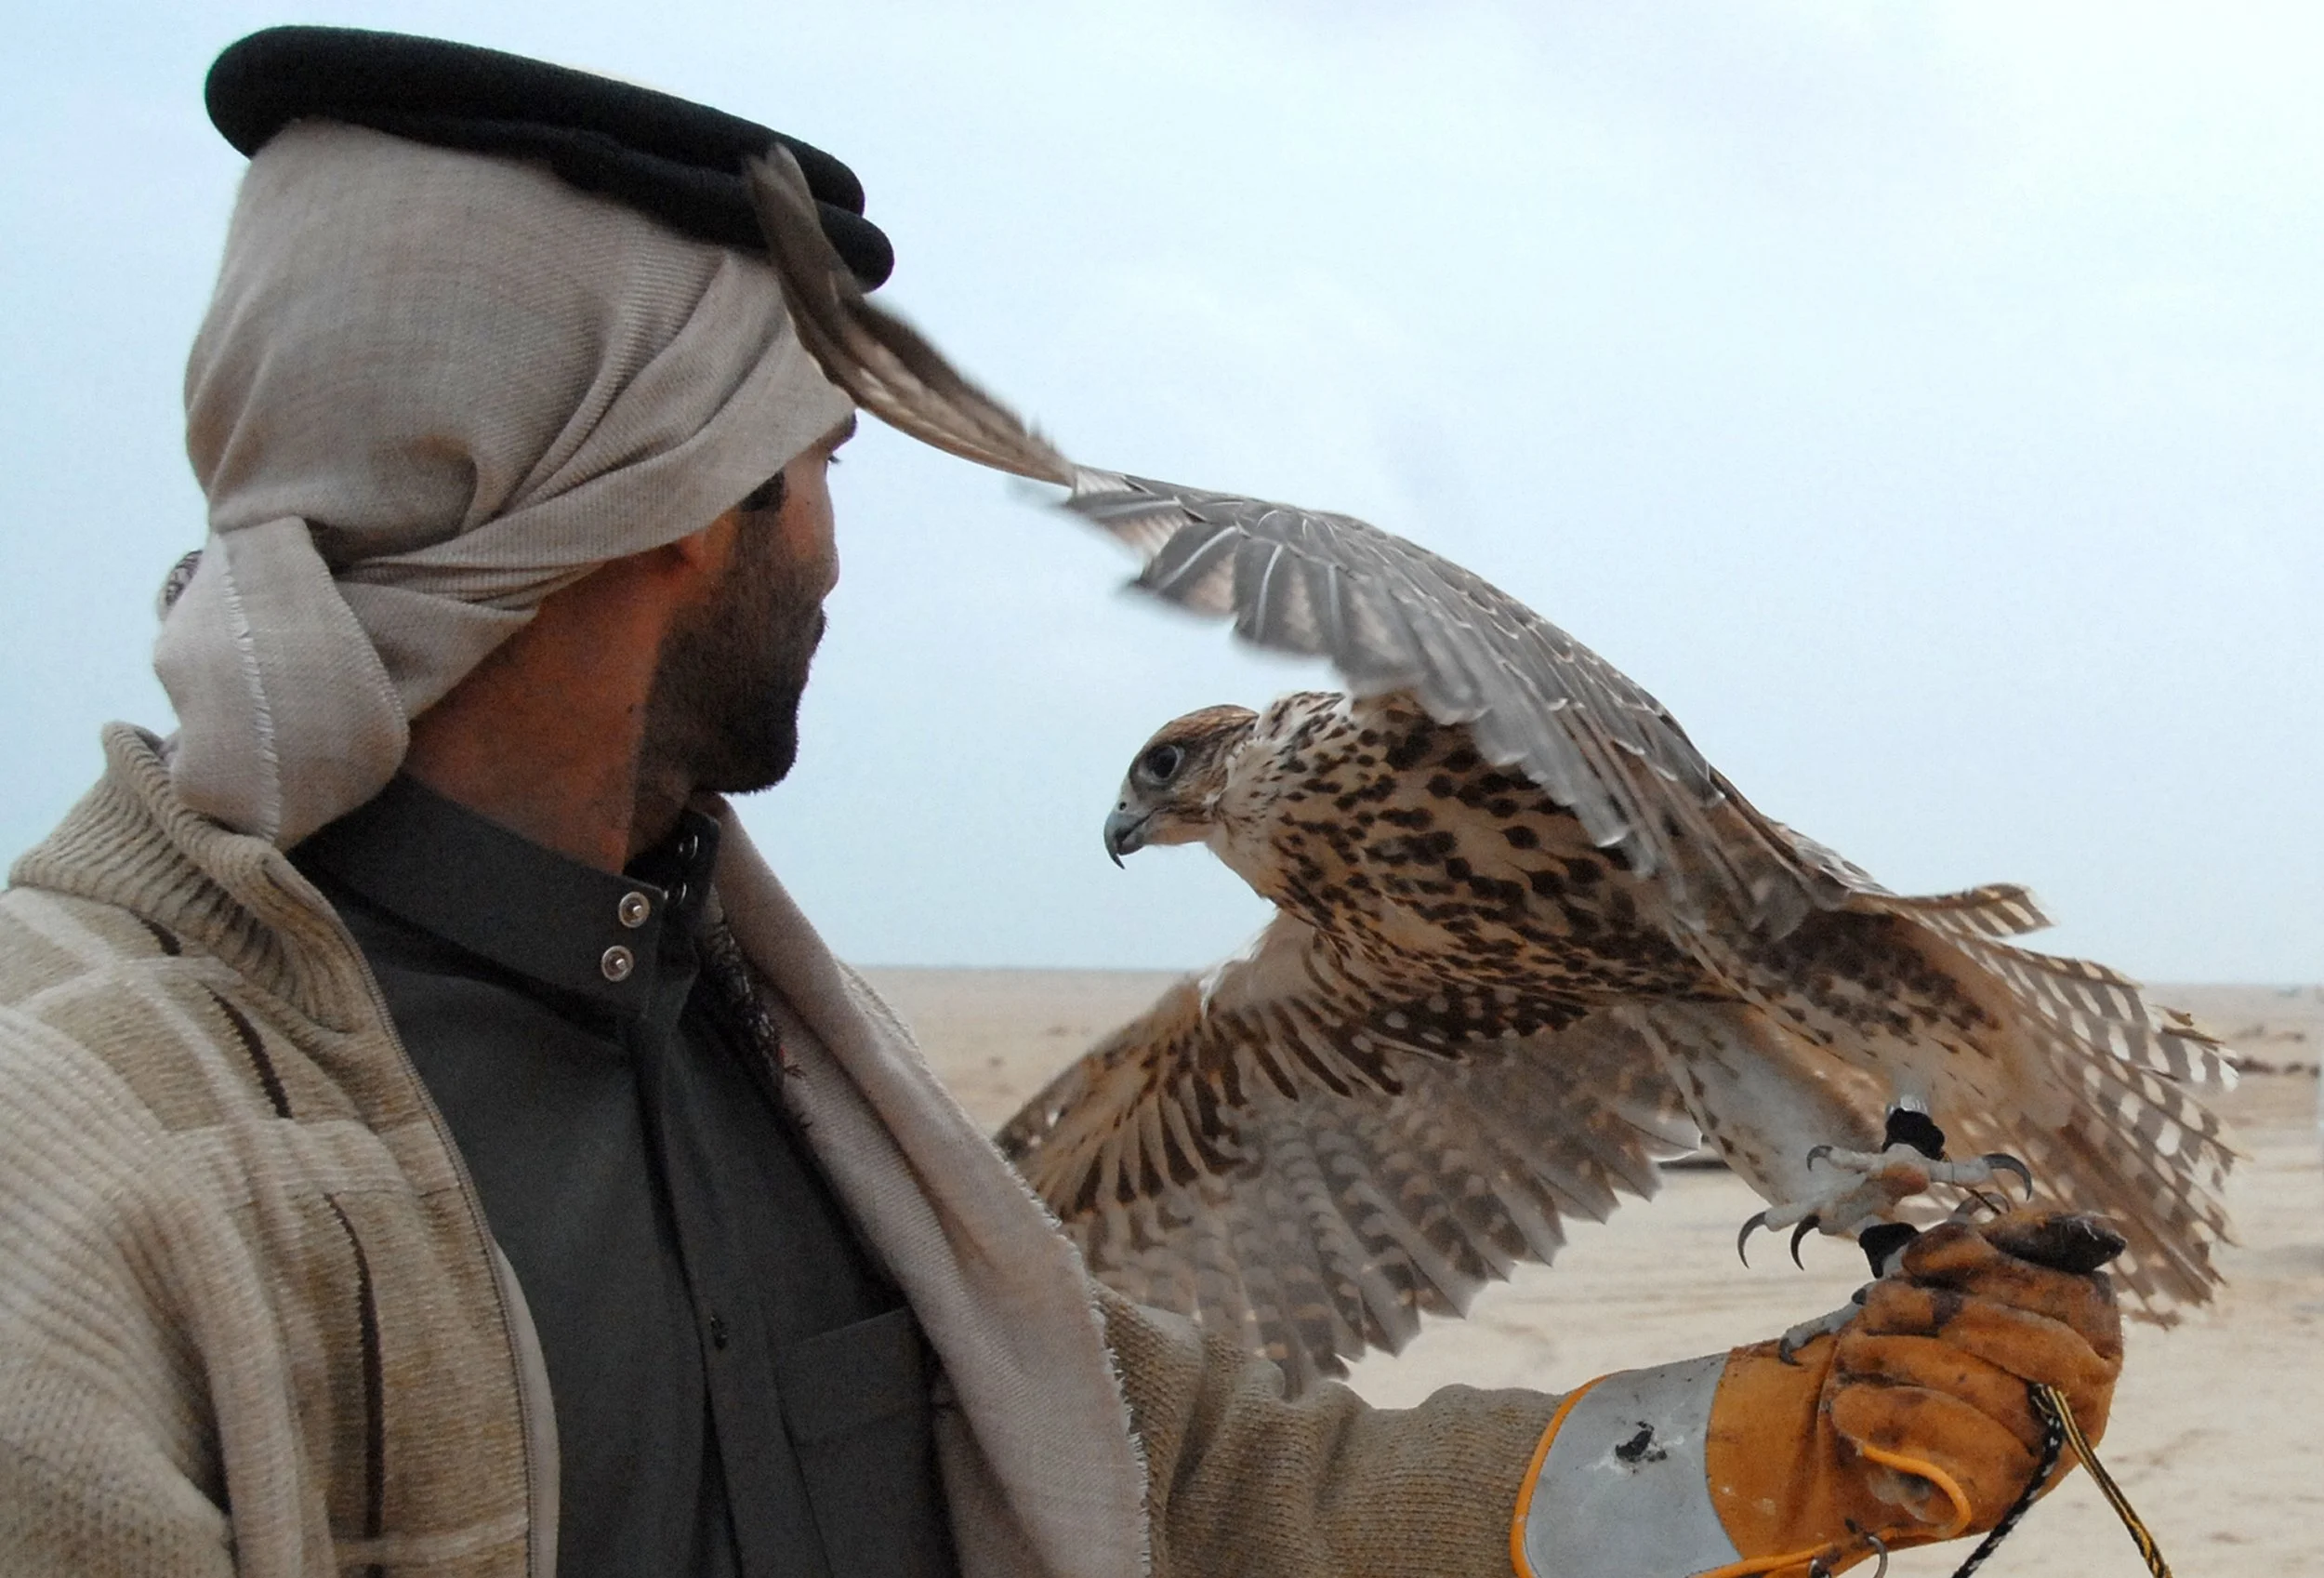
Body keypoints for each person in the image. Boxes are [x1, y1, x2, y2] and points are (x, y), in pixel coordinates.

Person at [0, 26, 2124, 1578]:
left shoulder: (772, 1073)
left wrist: (1761, 1458)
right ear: (666, 505)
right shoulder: (84, 1157)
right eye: (816, 468)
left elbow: (1179, 1487)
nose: (838, 551)